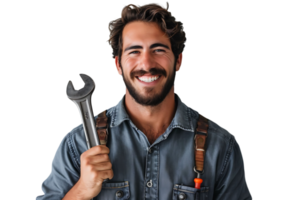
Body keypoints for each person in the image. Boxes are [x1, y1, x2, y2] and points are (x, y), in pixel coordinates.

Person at [35, 2, 253, 200]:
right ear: (117, 65)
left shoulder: (222, 147)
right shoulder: (76, 145)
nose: (146, 63)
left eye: (158, 50)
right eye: (134, 51)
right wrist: (82, 189)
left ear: (179, 60)